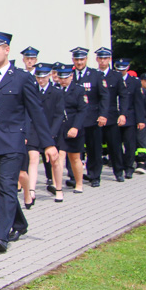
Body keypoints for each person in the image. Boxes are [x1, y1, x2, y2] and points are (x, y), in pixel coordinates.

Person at [0, 31, 58, 253]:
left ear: (7, 50)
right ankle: (20, 223)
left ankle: (0, 236)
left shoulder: (22, 78)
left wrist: (48, 144)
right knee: (0, 184)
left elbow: (36, 112)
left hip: (13, 141)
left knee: (7, 186)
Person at [71, 47, 109, 187]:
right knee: (74, 150)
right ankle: (75, 176)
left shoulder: (96, 75)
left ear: (86, 59)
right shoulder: (70, 75)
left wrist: (103, 115)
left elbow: (104, 97)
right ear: (73, 60)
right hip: (75, 120)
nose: (79, 62)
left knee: (94, 149)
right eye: (77, 59)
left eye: (81, 59)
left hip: (92, 118)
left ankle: (94, 175)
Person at [33, 64, 66, 202]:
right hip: (35, 131)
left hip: (52, 131)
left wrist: (52, 133)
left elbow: (59, 115)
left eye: (44, 77)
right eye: (38, 77)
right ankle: (31, 191)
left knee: (55, 161)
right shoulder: (33, 91)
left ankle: (58, 189)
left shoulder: (57, 92)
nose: (41, 80)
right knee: (33, 159)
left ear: (49, 76)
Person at [96, 47, 129, 182]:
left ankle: (119, 171)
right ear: (97, 59)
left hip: (111, 116)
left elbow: (123, 96)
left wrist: (123, 113)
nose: (103, 61)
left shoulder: (116, 76)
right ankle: (95, 175)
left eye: (105, 58)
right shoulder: (94, 75)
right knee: (96, 148)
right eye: (100, 58)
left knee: (115, 146)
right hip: (96, 117)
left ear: (109, 59)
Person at [56, 65, 89, 195]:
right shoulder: (56, 90)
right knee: (59, 157)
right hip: (60, 129)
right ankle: (56, 185)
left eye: (65, 78)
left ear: (71, 76)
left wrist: (75, 127)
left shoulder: (79, 90)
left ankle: (79, 183)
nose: (63, 81)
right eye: (60, 78)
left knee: (75, 157)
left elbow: (82, 110)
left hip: (74, 127)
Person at [115, 59, 145, 179]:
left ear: (128, 68)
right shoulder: (113, 79)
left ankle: (129, 168)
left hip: (130, 117)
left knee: (129, 144)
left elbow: (138, 102)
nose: (121, 71)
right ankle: (119, 166)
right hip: (115, 117)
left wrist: (140, 119)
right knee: (116, 145)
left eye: (123, 69)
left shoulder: (134, 82)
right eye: (119, 69)